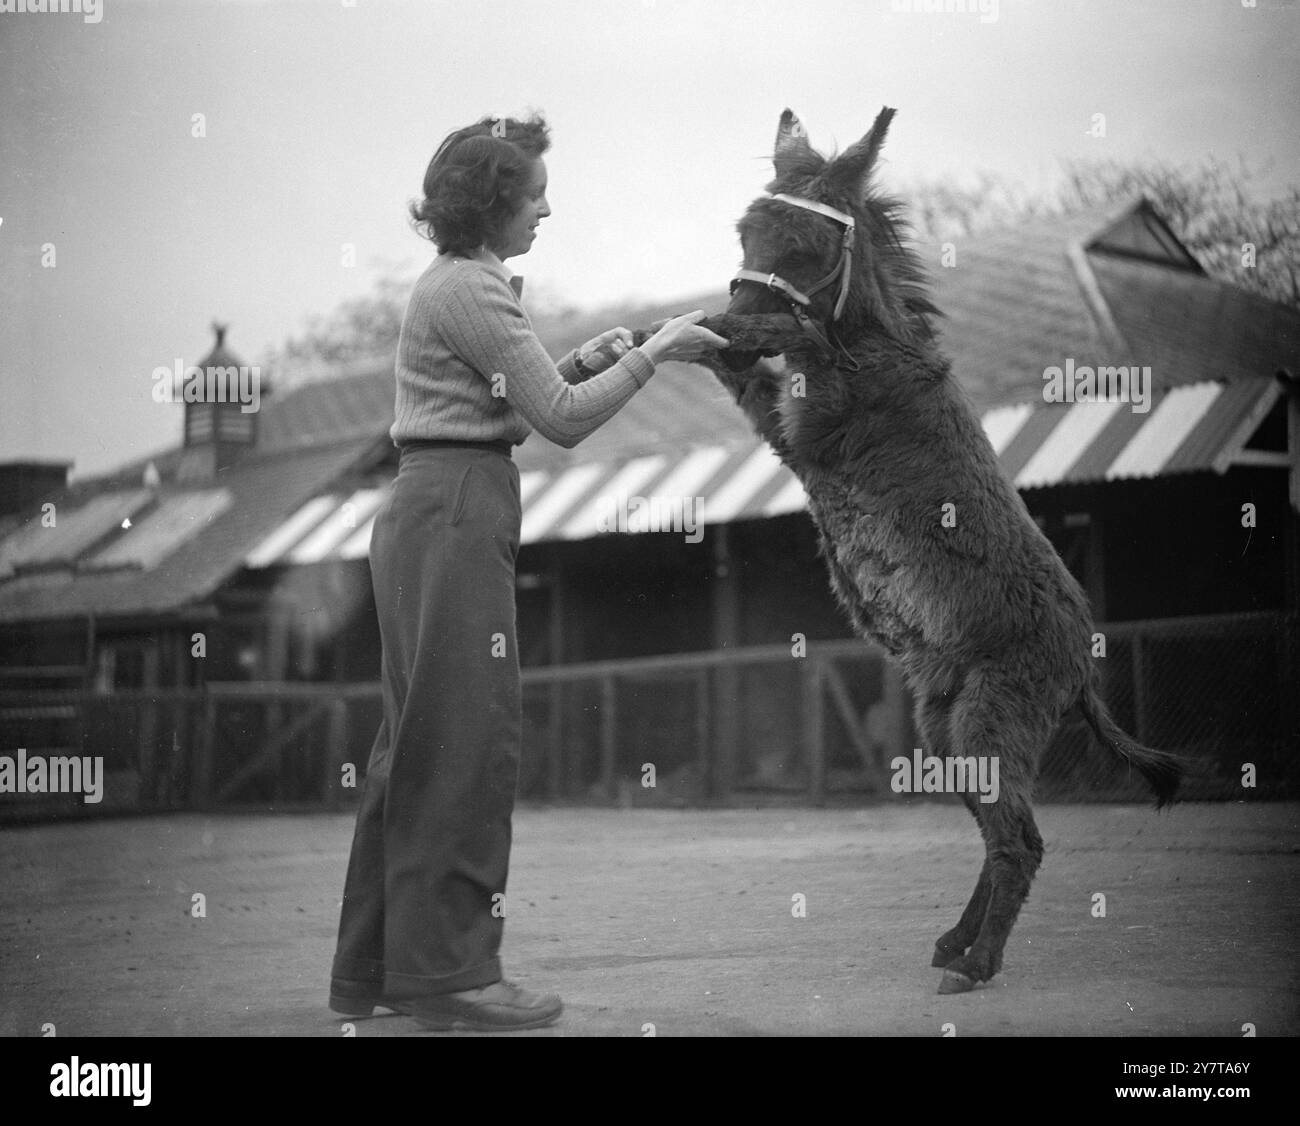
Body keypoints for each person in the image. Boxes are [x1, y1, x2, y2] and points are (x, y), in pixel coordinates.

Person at [328, 112, 728, 1031]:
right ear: (492, 202)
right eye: (534, 193)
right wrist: (660, 352)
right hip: (456, 510)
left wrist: (599, 356)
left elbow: (517, 391)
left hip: (435, 507)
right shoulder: (471, 288)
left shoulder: (461, 286)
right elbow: (562, 418)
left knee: (415, 745)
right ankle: (453, 976)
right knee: (466, 743)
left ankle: (377, 971)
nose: (548, 208)